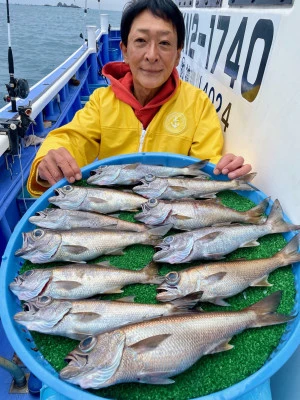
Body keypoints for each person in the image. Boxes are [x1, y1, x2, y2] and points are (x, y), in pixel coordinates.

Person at [27, 0, 251, 197]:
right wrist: (49, 160)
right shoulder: (101, 101)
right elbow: (73, 138)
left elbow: (205, 166)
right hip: (113, 207)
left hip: (168, 210)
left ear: (177, 55)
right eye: (141, 41)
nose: (152, 55)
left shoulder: (198, 105)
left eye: (164, 43)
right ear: (124, 50)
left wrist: (223, 170)